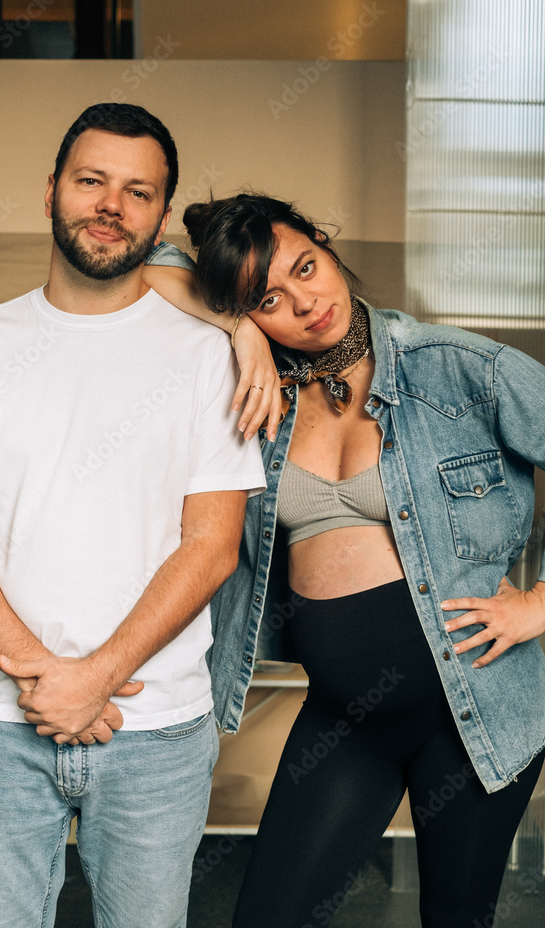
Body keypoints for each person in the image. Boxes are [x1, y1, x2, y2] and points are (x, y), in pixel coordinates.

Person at [0, 105, 266, 928]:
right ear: (50, 192)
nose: (111, 205)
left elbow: (210, 549)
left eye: (138, 191)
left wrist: (94, 678)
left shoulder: (207, 356)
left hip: (158, 733)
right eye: (90, 180)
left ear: (162, 217)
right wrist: (45, 679)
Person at [166, 191, 545, 928]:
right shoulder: (257, 392)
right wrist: (236, 331)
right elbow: (143, 265)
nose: (304, 303)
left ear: (325, 244)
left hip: (474, 709)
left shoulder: (460, 369)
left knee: (456, 919)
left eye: (306, 267)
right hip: (345, 722)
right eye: (267, 298)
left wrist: (537, 606)